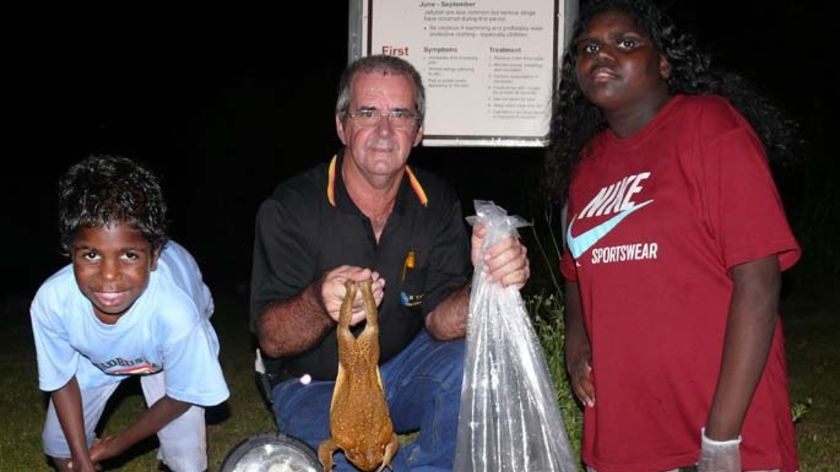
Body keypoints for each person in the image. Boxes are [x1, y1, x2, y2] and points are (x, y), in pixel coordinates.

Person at [544, 1, 801, 471]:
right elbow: (576, 268)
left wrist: (721, 440)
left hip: (722, 418)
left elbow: (760, 280)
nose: (602, 55)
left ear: (663, 62)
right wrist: (575, 341)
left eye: (626, 43)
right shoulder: (585, 167)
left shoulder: (711, 128)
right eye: (589, 47)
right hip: (627, 428)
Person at [250, 54, 530, 471]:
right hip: (316, 385)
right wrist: (317, 302)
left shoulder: (435, 201)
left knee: (478, 361)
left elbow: (440, 322)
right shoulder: (291, 208)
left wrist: (487, 281)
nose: (384, 131)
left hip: (399, 372)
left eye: (400, 114)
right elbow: (271, 339)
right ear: (342, 125)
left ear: (417, 132)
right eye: (368, 112)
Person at [31, 155, 229, 472]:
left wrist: (116, 446)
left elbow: (181, 395)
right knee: (63, 455)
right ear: (71, 252)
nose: (109, 276)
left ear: (153, 257)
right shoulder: (53, 301)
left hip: (161, 353)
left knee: (187, 463)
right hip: (95, 359)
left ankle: (169, 458)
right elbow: (62, 380)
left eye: (129, 255)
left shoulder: (176, 312)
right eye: (91, 254)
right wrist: (82, 460)